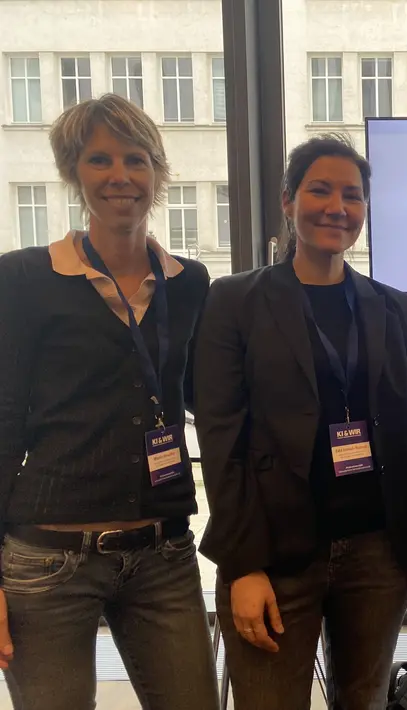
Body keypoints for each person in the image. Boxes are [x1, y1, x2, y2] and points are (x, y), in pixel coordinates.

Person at [195, 134, 407, 709]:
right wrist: (243, 566)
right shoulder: (235, 301)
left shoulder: (392, 306)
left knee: (364, 702)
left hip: (377, 554)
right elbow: (222, 441)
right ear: (288, 200)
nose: (338, 207)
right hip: (275, 555)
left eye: (352, 196)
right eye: (320, 191)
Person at [0, 94, 218, 709]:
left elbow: (210, 400)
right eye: (100, 160)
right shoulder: (23, 278)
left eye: (136, 159)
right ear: (74, 172)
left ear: (158, 172)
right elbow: (4, 420)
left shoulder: (189, 283)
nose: (120, 175)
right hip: (49, 560)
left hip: (163, 552)